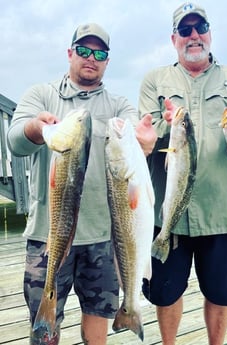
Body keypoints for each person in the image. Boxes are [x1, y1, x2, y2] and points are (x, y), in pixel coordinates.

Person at [7, 23, 156, 345]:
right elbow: (15, 141)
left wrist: (144, 139)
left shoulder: (117, 105)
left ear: (107, 60)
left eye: (100, 53)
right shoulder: (41, 94)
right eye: (85, 50)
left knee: (99, 314)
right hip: (48, 234)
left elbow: (136, 130)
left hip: (104, 236)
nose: (92, 57)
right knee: (44, 323)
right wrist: (36, 128)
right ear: (70, 52)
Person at [139, 3, 227, 345]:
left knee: (223, 292)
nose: (193, 36)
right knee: (165, 293)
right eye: (185, 30)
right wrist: (160, 126)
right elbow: (145, 133)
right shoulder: (155, 80)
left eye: (200, 28)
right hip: (167, 215)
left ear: (209, 33)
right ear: (174, 38)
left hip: (223, 212)